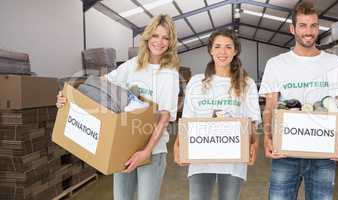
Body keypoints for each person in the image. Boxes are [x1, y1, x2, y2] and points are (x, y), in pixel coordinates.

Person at [56, 14, 180, 200]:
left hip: (152, 150)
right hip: (123, 146)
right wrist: (68, 97)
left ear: (171, 42)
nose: (159, 42)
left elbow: (164, 117)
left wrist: (145, 151)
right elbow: (100, 84)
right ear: (147, 37)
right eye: (155, 36)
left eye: (165, 37)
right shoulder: (132, 65)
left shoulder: (169, 74)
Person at [259, 2, 338, 200]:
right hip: (285, 153)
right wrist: (267, 137)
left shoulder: (334, 63)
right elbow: (270, 107)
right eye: (303, 25)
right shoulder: (276, 64)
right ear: (292, 29)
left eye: (313, 26)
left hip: (323, 153)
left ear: (318, 28)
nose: (309, 31)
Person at [173, 29, 261, 200]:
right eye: (218, 46)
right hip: (200, 160)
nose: (222, 52)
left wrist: (254, 144)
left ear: (235, 51)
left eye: (228, 47)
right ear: (210, 50)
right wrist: (178, 146)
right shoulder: (197, 82)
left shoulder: (247, 83)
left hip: (233, 161)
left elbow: (252, 122)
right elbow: (187, 121)